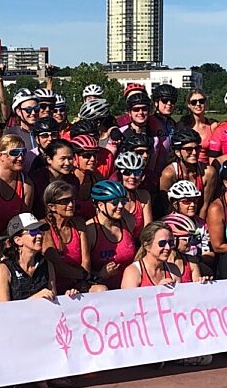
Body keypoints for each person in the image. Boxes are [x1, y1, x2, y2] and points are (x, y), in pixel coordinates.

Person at [121, 223, 200, 364]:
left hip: (169, 329)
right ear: (147, 246)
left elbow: (180, 307)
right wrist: (155, 292)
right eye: (162, 243)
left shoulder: (173, 269)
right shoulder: (133, 271)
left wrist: (201, 286)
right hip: (144, 329)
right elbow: (128, 310)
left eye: (171, 242)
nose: (168, 248)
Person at [0, 212, 65, 302]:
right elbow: (3, 310)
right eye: (33, 231)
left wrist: (68, 298)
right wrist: (35, 298)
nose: (39, 235)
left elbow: (54, 300)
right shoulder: (4, 269)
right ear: (18, 240)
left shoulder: (47, 265)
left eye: (40, 231)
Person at [83, 180, 138, 289]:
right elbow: (82, 274)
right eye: (115, 202)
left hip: (128, 286)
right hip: (101, 289)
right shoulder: (90, 230)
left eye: (123, 201)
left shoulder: (128, 221)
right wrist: (100, 275)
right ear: (100, 205)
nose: (121, 206)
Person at [0, 135, 33, 241]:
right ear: (0, 155)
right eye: (14, 153)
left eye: (23, 152)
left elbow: (23, 221)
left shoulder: (26, 185)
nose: (20, 157)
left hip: (5, 239)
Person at [159, 128, 213, 206]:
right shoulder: (169, 174)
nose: (194, 153)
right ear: (178, 152)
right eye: (189, 149)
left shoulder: (208, 173)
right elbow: (166, 206)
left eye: (197, 148)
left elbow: (205, 205)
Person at [113, 151, 153, 233]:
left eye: (137, 172)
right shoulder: (111, 198)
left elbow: (148, 230)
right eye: (127, 172)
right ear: (119, 175)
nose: (132, 177)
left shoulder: (144, 196)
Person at [178, 89, 217, 156]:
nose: (198, 104)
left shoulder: (213, 126)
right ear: (189, 105)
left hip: (208, 165)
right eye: (194, 102)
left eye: (201, 101)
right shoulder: (182, 126)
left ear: (205, 103)